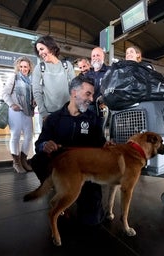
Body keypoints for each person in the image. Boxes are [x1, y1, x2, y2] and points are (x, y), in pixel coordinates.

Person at [29, 75, 108, 226]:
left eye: (92, 95)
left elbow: (100, 143)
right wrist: (45, 145)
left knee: (91, 221)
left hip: (85, 173)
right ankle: (57, 189)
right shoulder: (54, 119)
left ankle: (85, 201)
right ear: (74, 93)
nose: (91, 99)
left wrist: (107, 146)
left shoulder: (93, 119)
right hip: (61, 170)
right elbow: (39, 144)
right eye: (88, 94)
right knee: (38, 160)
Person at [31, 35, 75, 125]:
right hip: (48, 115)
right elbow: (36, 92)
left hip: (66, 114)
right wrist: (43, 114)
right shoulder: (39, 68)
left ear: (50, 47)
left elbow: (75, 89)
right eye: (38, 51)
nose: (40, 53)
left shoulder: (67, 66)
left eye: (42, 49)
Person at [2, 56, 35, 173]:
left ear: (29, 67)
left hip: (28, 111)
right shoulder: (14, 77)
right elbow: (5, 93)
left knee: (29, 136)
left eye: (25, 66)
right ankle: (16, 163)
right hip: (15, 111)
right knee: (15, 135)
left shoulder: (32, 79)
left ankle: (23, 160)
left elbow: (33, 95)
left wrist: (34, 101)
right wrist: (12, 104)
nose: (23, 69)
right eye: (21, 66)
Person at [84, 47, 109, 113]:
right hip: (90, 108)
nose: (95, 58)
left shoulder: (110, 71)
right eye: (93, 56)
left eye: (98, 55)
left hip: (105, 108)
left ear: (103, 57)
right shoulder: (87, 75)